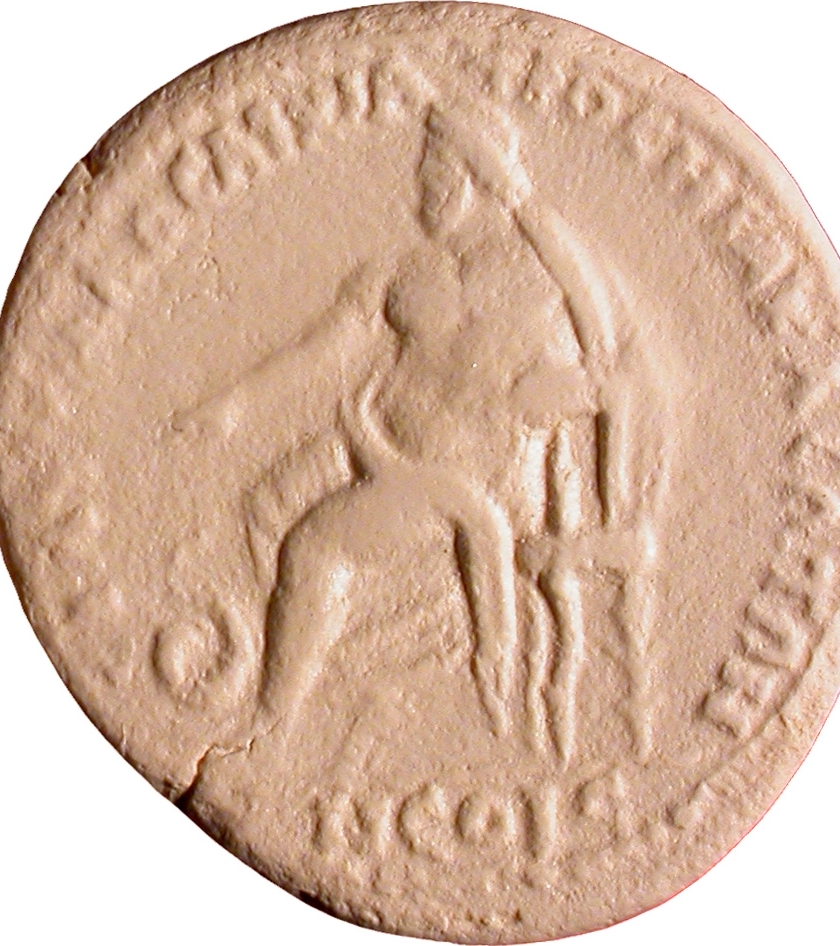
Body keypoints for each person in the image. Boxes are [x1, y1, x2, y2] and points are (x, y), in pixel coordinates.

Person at [175, 99, 667, 763]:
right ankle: (320, 662)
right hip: (374, 443)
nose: (422, 185)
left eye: (436, 168)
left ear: (474, 174)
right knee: (263, 502)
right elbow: (323, 348)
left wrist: (563, 422)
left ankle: (271, 719)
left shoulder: (541, 276)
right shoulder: (410, 270)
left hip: (468, 478)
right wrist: (233, 404)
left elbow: (607, 372)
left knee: (314, 547)